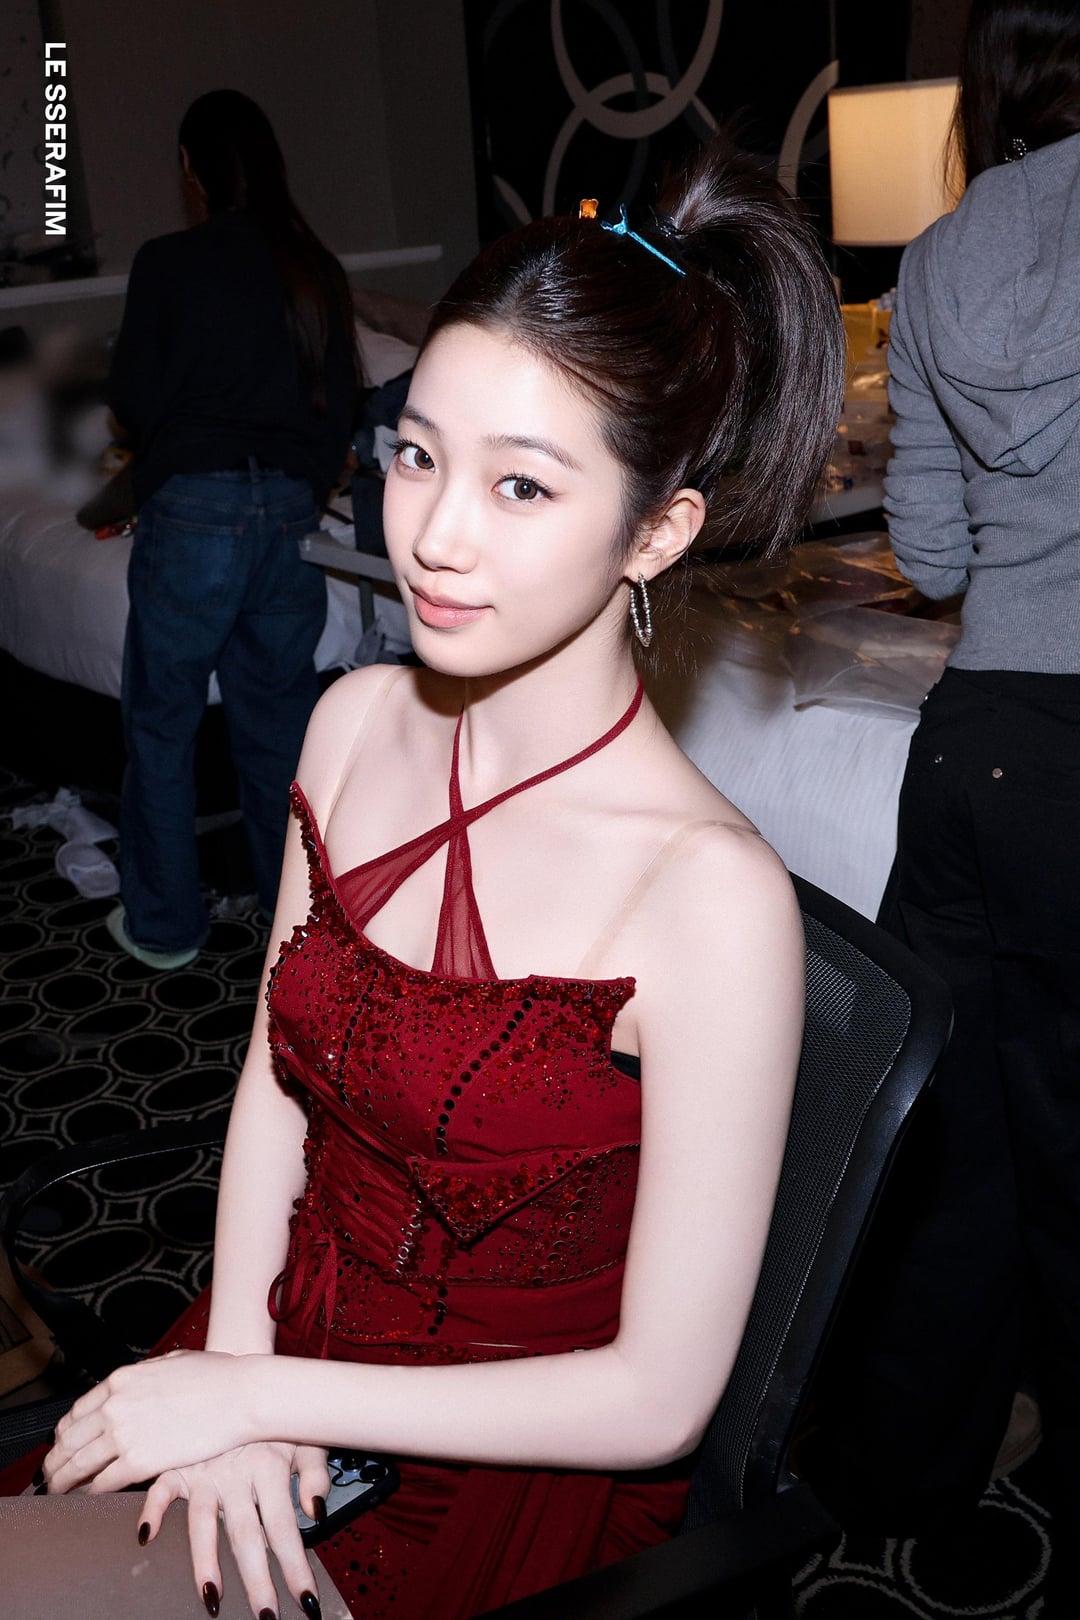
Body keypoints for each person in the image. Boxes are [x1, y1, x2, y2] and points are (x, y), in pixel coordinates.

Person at [35, 136, 843, 1620]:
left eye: (522, 486)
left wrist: (266, 1397)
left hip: (495, 1464)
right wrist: (236, 1375)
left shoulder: (711, 899)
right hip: (276, 1340)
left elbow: (659, 1397)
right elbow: (275, 1087)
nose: (434, 535)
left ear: (656, 531)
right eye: (416, 454)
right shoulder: (352, 724)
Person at [812, 1, 1080, 1607]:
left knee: (957, 1136)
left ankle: (903, 1465)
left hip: (978, 747)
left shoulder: (940, 257)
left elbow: (935, 552)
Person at [107, 89, 358, 970]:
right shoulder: (312, 266)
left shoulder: (169, 261)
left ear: (193, 169)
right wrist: (302, 484)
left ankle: (166, 927)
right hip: (288, 514)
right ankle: (293, 925)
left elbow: (134, 400)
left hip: (194, 512)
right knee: (277, 725)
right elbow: (342, 403)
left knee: (163, 724)